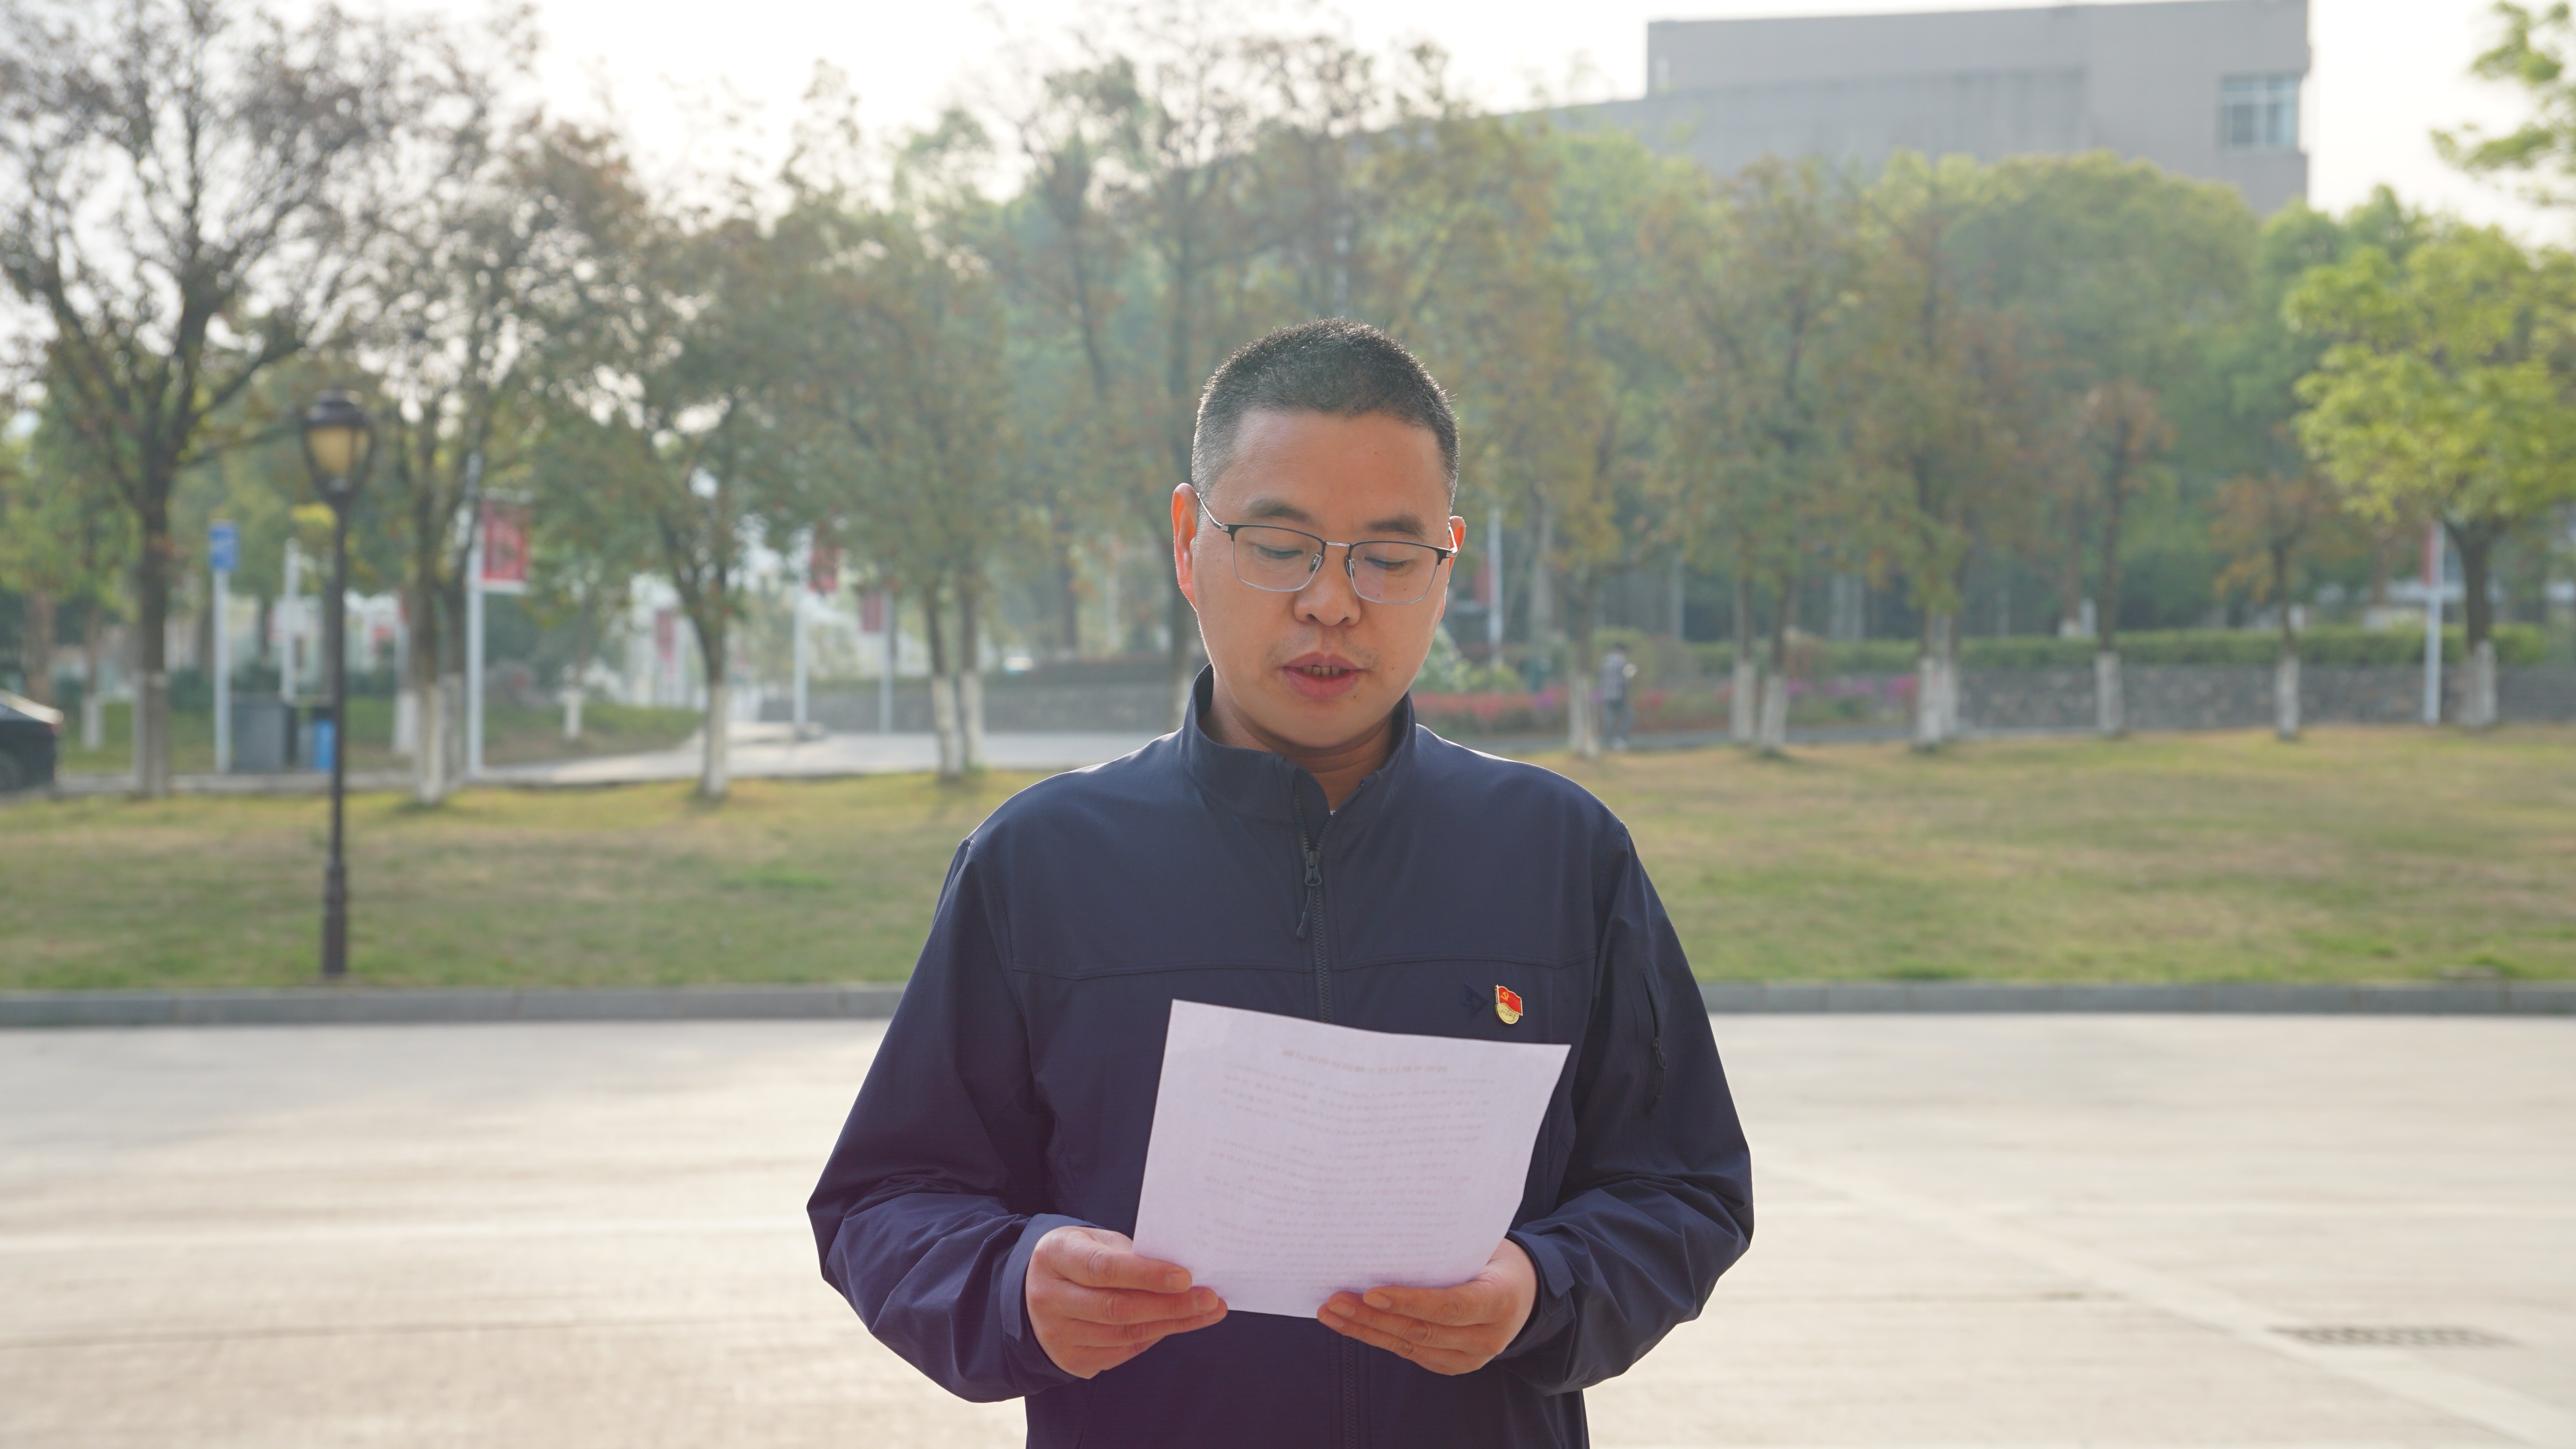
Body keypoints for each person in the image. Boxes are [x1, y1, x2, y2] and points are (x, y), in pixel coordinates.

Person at [808, 319, 1753, 1449]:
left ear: (1448, 563)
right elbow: (886, 1199)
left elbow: (1684, 1187)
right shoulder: (1041, 862)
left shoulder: (1561, 855)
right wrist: (1014, 1283)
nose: (1332, 602)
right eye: (1280, 544)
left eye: (1387, 557)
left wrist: (1543, 1286)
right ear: (1187, 541)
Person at [1598, 643, 1636, 750]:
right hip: (1620, 695)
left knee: (1609, 719)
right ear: (1623, 650)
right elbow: (1628, 676)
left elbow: (1600, 676)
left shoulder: (1605, 660)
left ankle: (1610, 741)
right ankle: (1622, 739)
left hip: (1607, 695)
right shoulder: (1622, 660)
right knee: (1629, 717)